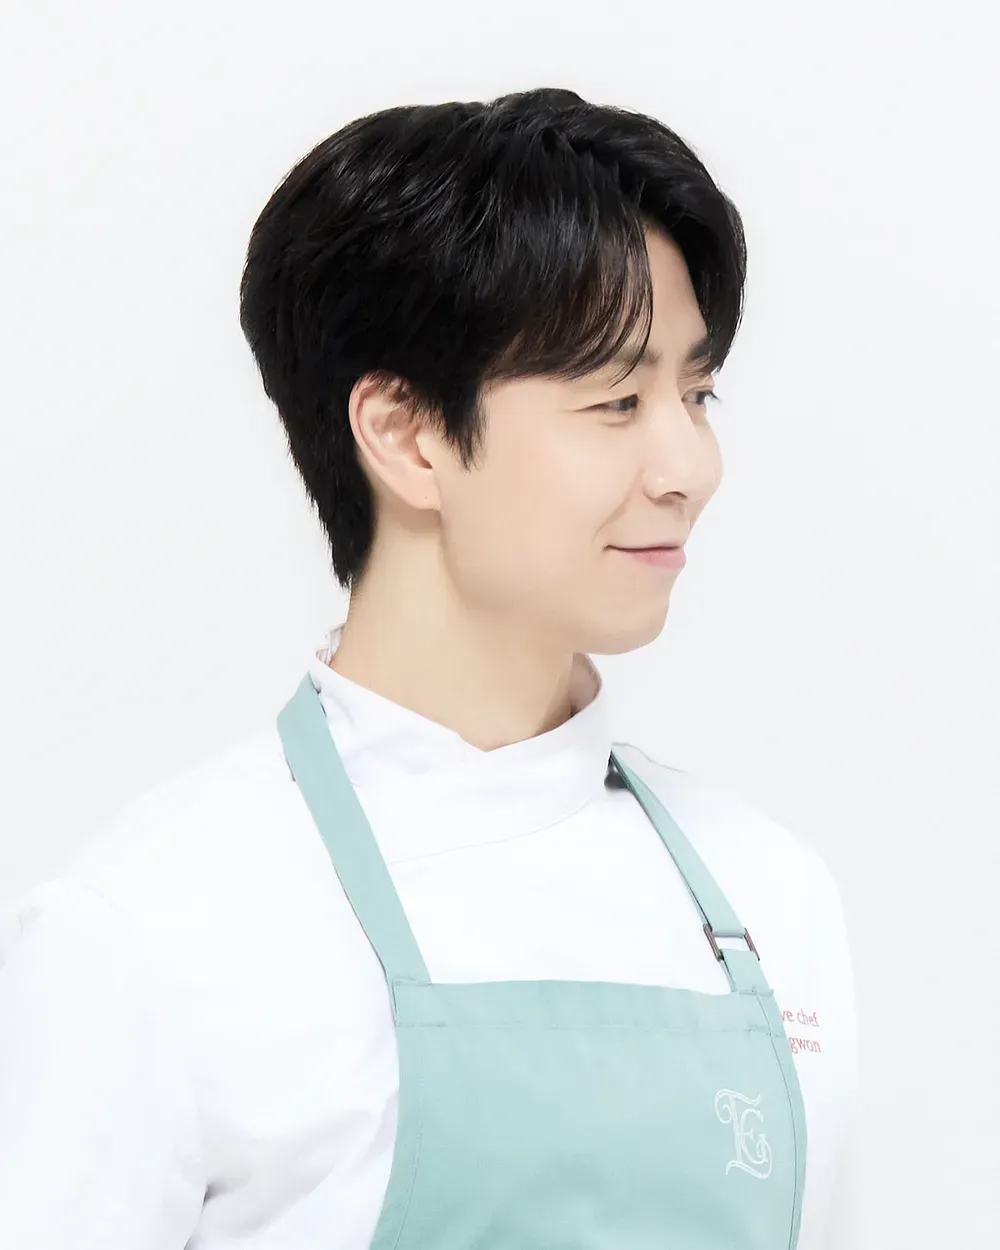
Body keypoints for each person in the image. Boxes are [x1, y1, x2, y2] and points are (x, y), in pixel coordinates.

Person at [0, 87, 859, 1248]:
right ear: (404, 433)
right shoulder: (148, 930)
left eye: (695, 393)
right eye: (616, 400)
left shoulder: (770, 894)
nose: (689, 466)